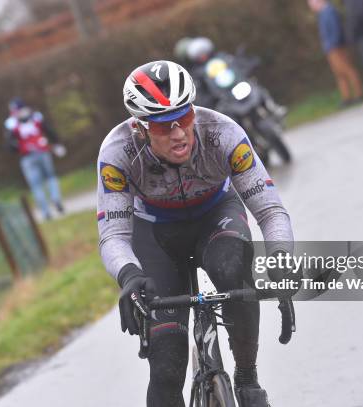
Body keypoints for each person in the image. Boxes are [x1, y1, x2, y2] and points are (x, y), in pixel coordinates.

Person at [97, 60, 296, 407]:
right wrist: (129, 276)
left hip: (215, 216)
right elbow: (113, 234)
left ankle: (248, 379)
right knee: (166, 369)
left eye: (184, 119)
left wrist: (281, 256)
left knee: (234, 272)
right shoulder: (117, 153)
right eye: (162, 126)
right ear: (140, 128)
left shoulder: (223, 133)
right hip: (156, 233)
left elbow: (269, 210)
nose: (178, 133)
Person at [4, 98, 65, 220]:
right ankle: (56, 199)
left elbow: (9, 144)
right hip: (42, 152)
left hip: (27, 157)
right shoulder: (35, 116)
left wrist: (19, 149)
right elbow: (48, 130)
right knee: (51, 177)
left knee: (36, 186)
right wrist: (57, 143)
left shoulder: (11, 123)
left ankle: (46, 212)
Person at [308, 0, 363, 106]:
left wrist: (334, 44)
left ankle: (359, 93)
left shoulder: (329, 11)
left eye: (312, 3)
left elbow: (335, 30)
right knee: (339, 74)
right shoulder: (321, 14)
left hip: (337, 47)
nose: (311, 6)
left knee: (348, 69)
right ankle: (346, 97)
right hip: (330, 48)